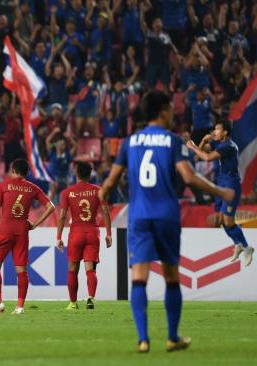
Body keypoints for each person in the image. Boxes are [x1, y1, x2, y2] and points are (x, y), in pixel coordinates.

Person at [99, 90, 235, 353]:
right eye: (171, 109)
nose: (174, 113)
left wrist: (103, 192)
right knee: (172, 276)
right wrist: (220, 192)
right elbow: (189, 177)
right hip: (166, 216)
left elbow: (111, 181)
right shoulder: (173, 141)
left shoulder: (129, 142)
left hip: (139, 216)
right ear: (162, 111)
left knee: (139, 278)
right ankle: (172, 337)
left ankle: (143, 339)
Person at [0, 159, 55, 315]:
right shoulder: (32, 188)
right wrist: (35, 224)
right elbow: (51, 207)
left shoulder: (3, 185)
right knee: (21, 270)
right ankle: (20, 307)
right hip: (22, 230)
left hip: (5, 228)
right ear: (27, 172)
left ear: (13, 170)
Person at [186, 120, 254, 265]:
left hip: (231, 186)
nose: (214, 131)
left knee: (228, 221)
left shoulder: (229, 146)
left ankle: (247, 248)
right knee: (222, 220)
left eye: (217, 129)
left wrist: (192, 146)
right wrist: (203, 141)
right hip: (222, 184)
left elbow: (206, 158)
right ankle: (238, 244)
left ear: (225, 133)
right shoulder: (219, 144)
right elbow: (199, 155)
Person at [57, 161, 112, 310]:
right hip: (92, 233)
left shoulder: (67, 192)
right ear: (90, 174)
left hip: (76, 233)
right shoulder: (98, 191)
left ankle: (73, 303)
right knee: (90, 269)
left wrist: (59, 237)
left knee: (72, 268)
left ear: (76, 173)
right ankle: (91, 298)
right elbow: (106, 212)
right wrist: (109, 234)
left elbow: (62, 216)